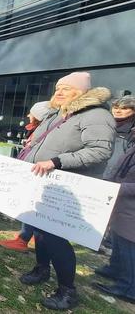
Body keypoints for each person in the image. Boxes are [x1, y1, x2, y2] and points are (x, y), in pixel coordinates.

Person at [18, 72, 115, 310]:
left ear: (82, 92)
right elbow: (43, 139)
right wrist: (32, 147)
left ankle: (67, 290)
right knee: (40, 230)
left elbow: (100, 150)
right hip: (45, 183)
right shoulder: (58, 113)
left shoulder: (96, 115)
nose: (58, 92)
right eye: (58, 88)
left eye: (66, 89)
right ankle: (42, 269)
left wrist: (57, 161)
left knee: (55, 238)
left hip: (68, 189)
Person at [92, 106, 135, 303]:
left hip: (129, 201)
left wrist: (119, 188)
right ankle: (115, 268)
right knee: (118, 235)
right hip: (121, 200)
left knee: (129, 243)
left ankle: (128, 287)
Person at [0, 101, 53, 252]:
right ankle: (29, 236)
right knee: (32, 204)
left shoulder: (44, 131)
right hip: (34, 171)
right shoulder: (38, 130)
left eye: (32, 113)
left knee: (33, 205)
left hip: (38, 173)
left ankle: (25, 239)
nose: (28, 115)